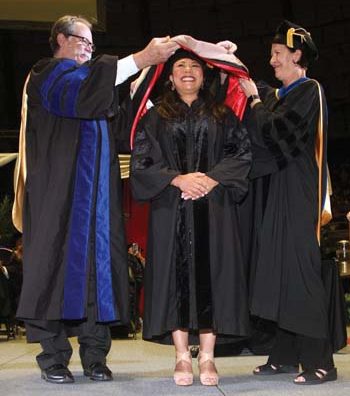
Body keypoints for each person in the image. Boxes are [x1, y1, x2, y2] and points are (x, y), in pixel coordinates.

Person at [13, 15, 179, 384]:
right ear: (60, 39)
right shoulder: (47, 75)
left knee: (97, 275)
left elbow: (121, 130)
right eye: (83, 40)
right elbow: (80, 93)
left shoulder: (93, 87)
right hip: (59, 200)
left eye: (92, 42)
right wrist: (140, 58)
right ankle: (53, 359)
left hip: (97, 204)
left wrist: (141, 86)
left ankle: (95, 356)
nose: (90, 47)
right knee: (54, 271)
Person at [131, 48, 251, 386]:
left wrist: (209, 179)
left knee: (214, 276)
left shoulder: (223, 114)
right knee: (173, 278)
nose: (187, 70)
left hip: (214, 207)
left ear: (204, 75)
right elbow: (141, 163)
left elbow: (241, 154)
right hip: (172, 207)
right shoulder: (154, 118)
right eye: (180, 65)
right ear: (169, 77)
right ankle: (182, 355)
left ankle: (209, 357)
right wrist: (177, 178)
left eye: (195, 65)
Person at [239, 20, 337, 385]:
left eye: (278, 54)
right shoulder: (281, 96)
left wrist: (253, 99)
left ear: (297, 55)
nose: (272, 60)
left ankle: (321, 361)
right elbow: (264, 113)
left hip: (300, 193)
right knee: (280, 272)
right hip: (280, 192)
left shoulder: (309, 90)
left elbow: (276, 135)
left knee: (301, 274)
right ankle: (284, 355)